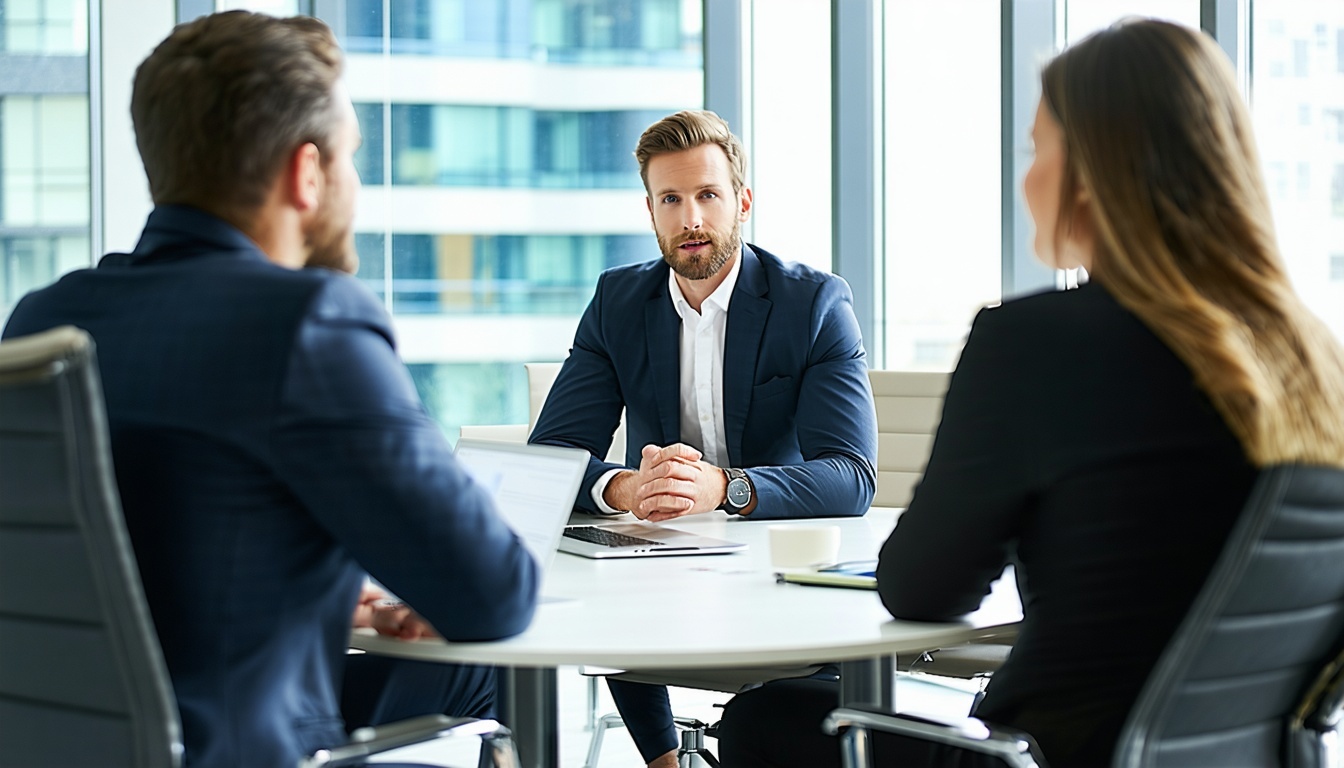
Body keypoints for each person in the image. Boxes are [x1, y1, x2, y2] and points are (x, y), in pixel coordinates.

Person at [714, 18, 1344, 768]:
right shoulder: (1313, 361)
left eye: (1038, 149)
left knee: (767, 719)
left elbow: (922, 589)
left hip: (1045, 755)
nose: (1029, 178)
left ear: (1094, 172)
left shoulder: (1033, 343)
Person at [1, 12, 537, 768]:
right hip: (245, 750)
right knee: (488, 672)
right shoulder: (309, 322)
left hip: (79, 746)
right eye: (352, 156)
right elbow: (496, 593)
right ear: (306, 173)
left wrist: (318, 591)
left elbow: (133, 556)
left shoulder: (43, 317)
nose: (356, 183)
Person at [528, 109, 878, 767]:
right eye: (671, 199)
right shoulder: (617, 302)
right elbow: (548, 461)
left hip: (782, 575)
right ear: (651, 211)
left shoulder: (813, 304)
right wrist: (626, 487)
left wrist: (724, 487)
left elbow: (852, 476)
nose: (690, 217)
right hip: (653, 578)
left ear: (742, 202)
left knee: (774, 729)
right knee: (611, 578)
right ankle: (664, 760)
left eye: (708, 195)